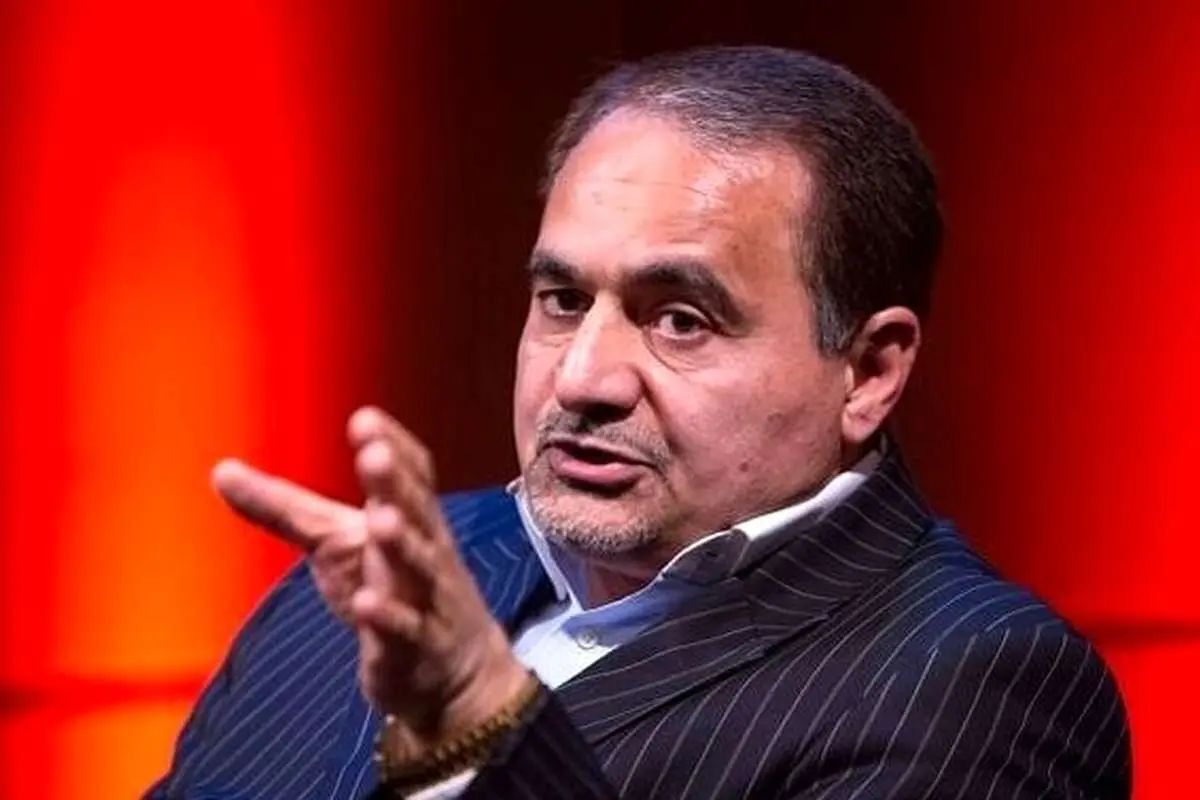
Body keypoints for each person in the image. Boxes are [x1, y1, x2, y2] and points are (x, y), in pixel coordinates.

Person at [150, 46, 1130, 799]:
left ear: (868, 371)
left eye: (680, 320)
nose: (583, 377)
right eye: (563, 300)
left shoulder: (978, 681)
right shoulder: (384, 579)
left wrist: (478, 718)